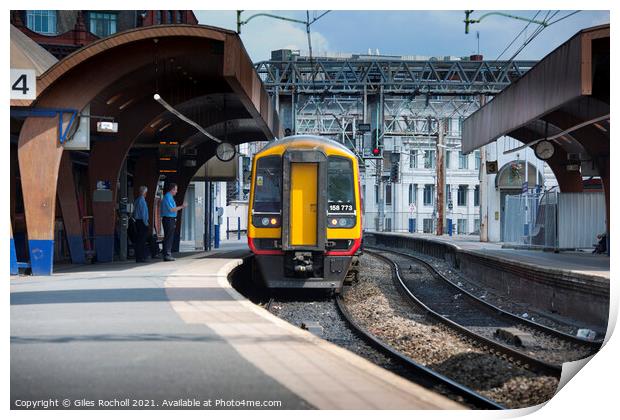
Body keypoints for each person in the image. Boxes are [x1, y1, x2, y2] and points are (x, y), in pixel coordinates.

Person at [160, 183, 187, 261]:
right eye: (175, 189)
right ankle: (167, 254)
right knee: (168, 237)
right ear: (172, 190)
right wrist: (182, 206)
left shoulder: (170, 197)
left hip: (170, 219)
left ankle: (167, 254)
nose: (176, 191)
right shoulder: (168, 197)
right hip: (168, 219)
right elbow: (172, 209)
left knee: (169, 237)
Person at [133, 185, 150, 263]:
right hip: (142, 222)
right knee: (142, 240)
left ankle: (139, 257)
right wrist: (146, 223)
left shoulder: (137, 200)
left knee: (138, 240)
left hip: (137, 221)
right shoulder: (142, 201)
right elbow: (144, 214)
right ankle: (141, 257)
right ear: (144, 192)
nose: (146, 194)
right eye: (146, 192)